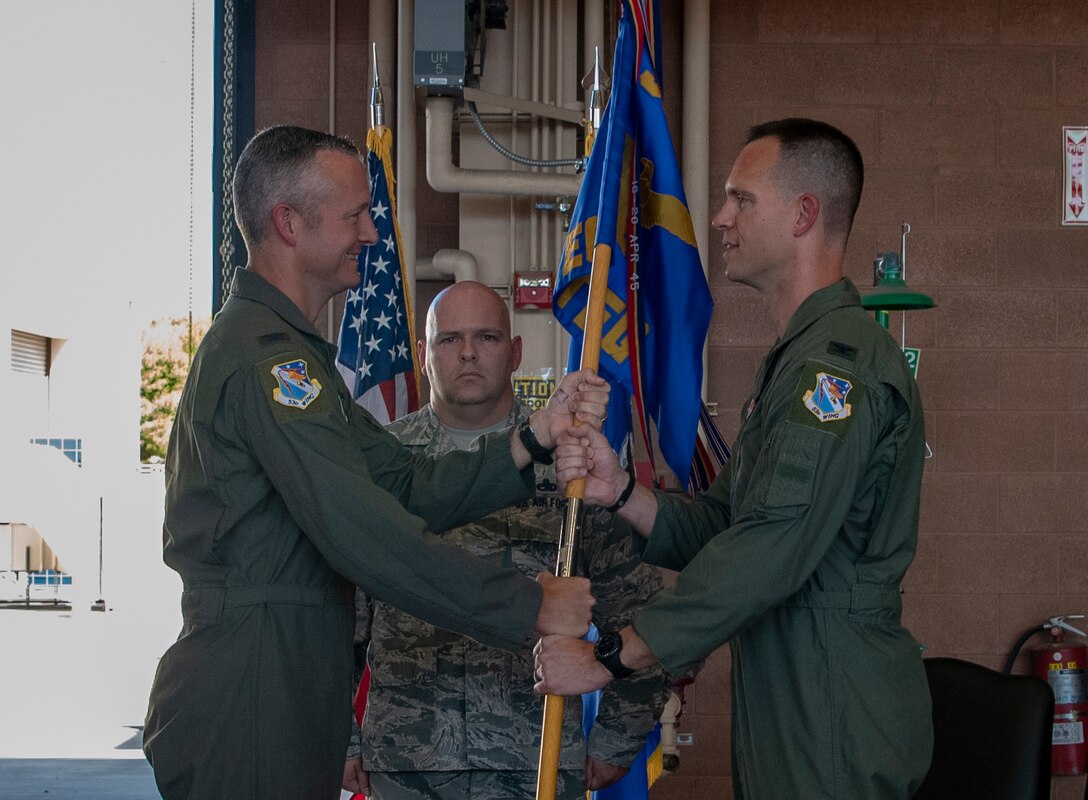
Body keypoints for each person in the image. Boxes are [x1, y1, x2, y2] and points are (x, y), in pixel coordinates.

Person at [142, 125, 608, 800]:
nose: (370, 233)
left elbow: (402, 483)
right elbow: (367, 535)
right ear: (289, 223)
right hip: (253, 681)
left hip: (284, 671)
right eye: (354, 215)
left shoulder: (294, 356)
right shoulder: (267, 363)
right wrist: (532, 604)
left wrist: (532, 437)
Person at [536, 118, 934, 799]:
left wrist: (610, 658)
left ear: (803, 214)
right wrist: (621, 491)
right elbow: (729, 526)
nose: (720, 218)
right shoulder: (796, 361)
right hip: (793, 685)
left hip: (832, 700)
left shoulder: (834, 370)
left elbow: (768, 546)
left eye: (741, 199)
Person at [341, 281, 666, 800]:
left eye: (487, 337)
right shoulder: (384, 465)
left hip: (537, 757)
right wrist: (343, 739)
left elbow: (637, 607)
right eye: (450, 339)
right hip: (409, 760)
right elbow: (340, 619)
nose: (468, 353)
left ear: (515, 353)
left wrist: (616, 737)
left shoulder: (572, 461)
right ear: (423, 354)